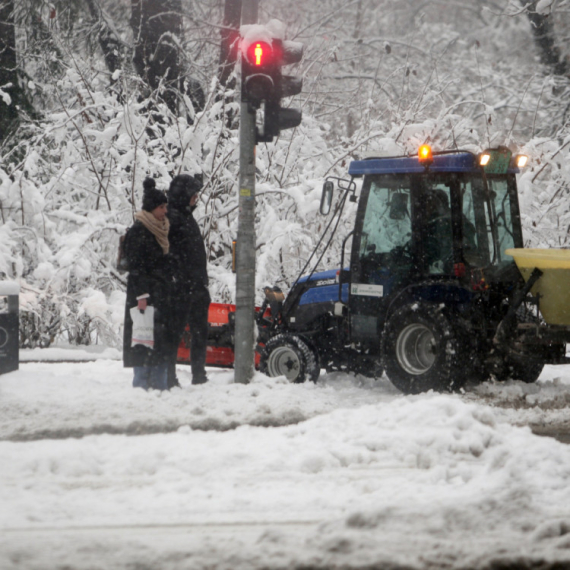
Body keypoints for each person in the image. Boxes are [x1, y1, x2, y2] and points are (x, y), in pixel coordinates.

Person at [123, 178, 172, 391]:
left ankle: (158, 386)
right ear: (152, 209)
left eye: (165, 206)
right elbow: (136, 268)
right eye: (161, 207)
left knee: (158, 344)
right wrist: (142, 296)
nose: (165, 211)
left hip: (160, 296)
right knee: (143, 342)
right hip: (145, 299)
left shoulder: (160, 230)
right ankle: (142, 387)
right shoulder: (139, 231)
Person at [166, 173, 211, 387]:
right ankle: (169, 376)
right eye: (193, 195)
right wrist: (178, 279)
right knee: (174, 333)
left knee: (200, 331)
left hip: (196, 286)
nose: (196, 198)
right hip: (182, 288)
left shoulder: (185, 216)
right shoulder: (172, 218)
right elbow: (167, 254)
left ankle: (199, 375)